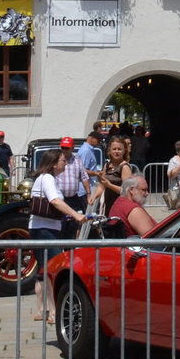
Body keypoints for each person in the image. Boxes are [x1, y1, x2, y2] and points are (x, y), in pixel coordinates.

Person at [27, 144, 90, 322]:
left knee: (43, 269)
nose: (65, 163)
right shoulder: (47, 178)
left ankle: (41, 310)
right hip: (45, 230)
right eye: (63, 160)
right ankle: (54, 312)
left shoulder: (47, 178)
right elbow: (54, 201)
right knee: (52, 270)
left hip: (44, 227)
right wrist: (76, 214)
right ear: (54, 163)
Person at [107, 171, 161, 238]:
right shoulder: (134, 210)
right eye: (144, 190)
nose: (147, 193)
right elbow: (152, 238)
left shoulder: (120, 201)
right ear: (132, 190)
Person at [96, 134, 135, 211]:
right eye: (114, 149)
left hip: (120, 206)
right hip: (107, 206)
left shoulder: (125, 167)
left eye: (119, 149)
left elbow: (126, 191)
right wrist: (94, 197)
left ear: (124, 150)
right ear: (110, 150)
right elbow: (102, 185)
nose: (116, 152)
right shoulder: (106, 165)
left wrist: (109, 185)